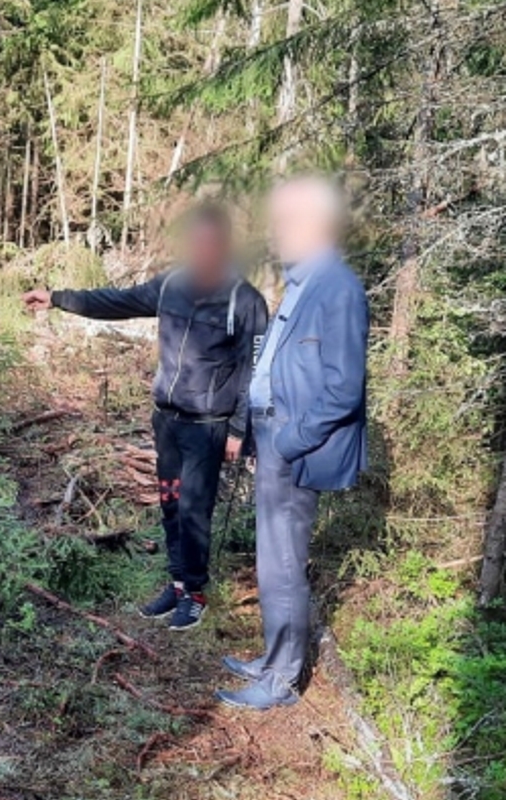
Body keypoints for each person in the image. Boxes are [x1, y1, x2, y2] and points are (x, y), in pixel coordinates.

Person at [23, 204, 269, 631]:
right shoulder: (172, 284)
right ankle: (176, 583)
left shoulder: (244, 300)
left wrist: (237, 430)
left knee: (194, 510)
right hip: (167, 422)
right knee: (172, 504)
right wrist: (58, 299)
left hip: (208, 426)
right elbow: (117, 301)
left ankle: (195, 593)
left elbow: (256, 368)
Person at [216, 176, 369, 711]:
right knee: (270, 559)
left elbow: (344, 388)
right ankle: (273, 658)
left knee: (283, 563)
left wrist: (290, 438)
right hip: (273, 437)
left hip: (294, 446)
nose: (277, 234)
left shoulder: (339, 288)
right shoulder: (304, 282)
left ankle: (281, 683)